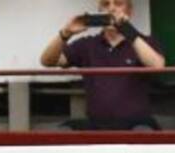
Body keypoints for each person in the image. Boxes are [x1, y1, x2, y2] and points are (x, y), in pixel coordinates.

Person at [40, 0, 166, 130]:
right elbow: (47, 61)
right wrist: (65, 33)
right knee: (64, 130)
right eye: (106, 4)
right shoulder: (87, 45)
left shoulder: (144, 42)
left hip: (136, 124)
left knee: (145, 132)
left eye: (118, 3)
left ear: (129, 11)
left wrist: (127, 30)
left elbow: (157, 66)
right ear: (99, 11)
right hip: (96, 124)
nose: (111, 9)